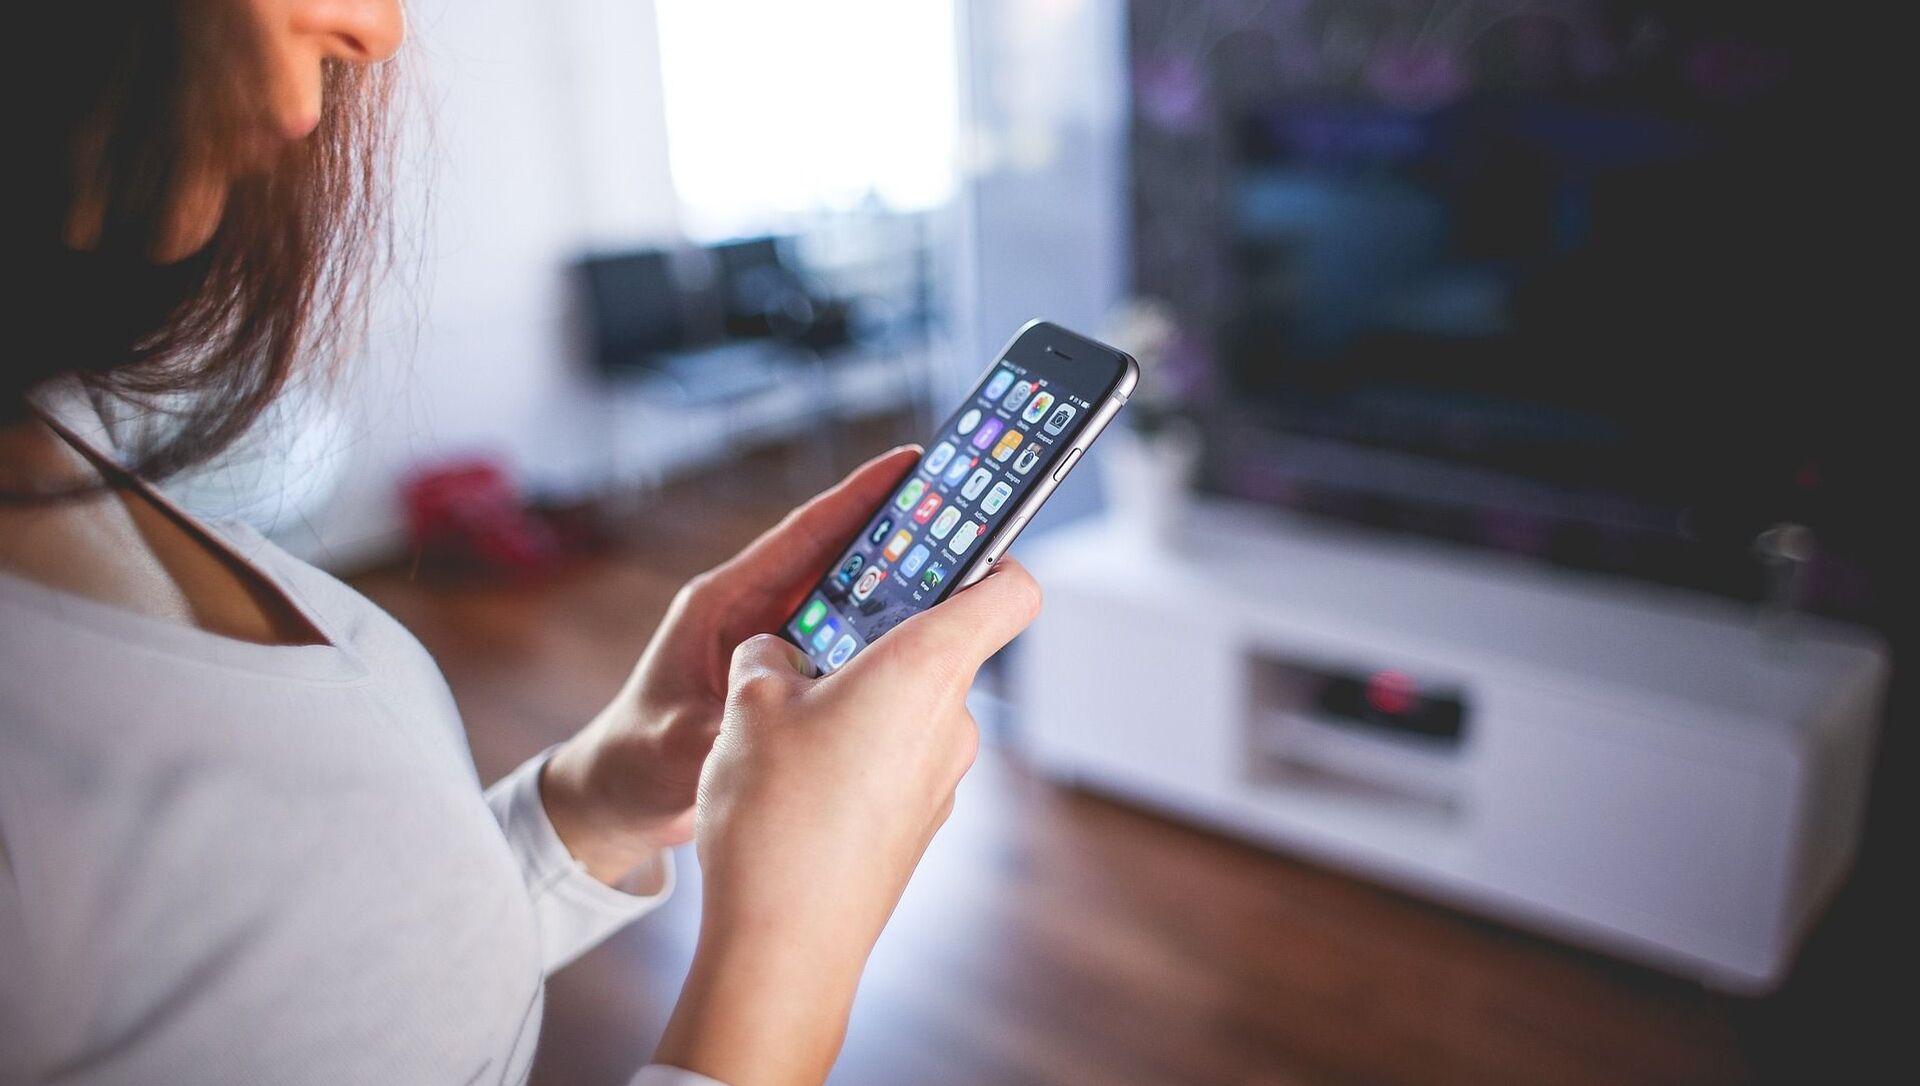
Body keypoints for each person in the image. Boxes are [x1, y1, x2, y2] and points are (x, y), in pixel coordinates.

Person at [0, 2, 1041, 1083]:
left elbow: (332, 980)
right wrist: (794, 940)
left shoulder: (56, 446)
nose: (376, 25)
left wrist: (603, 793)